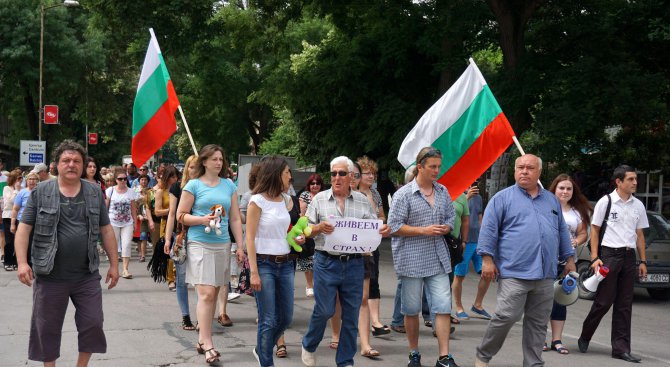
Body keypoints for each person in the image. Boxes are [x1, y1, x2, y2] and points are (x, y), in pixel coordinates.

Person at [14, 139, 120, 367]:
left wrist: (114, 264)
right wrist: (22, 263)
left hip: (86, 275)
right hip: (49, 275)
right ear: (56, 165)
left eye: (76, 161)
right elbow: (24, 229)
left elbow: (106, 229)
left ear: (83, 165)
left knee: (93, 323)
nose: (71, 164)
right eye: (66, 160)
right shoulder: (40, 192)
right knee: (47, 328)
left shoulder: (93, 192)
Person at [474, 154, 575, 367]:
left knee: (538, 324)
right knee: (505, 317)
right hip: (514, 271)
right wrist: (487, 259)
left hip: (545, 274)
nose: (524, 171)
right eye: (520, 167)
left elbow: (561, 231)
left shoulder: (551, 199)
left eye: (529, 168)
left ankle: (533, 363)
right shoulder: (502, 198)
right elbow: (489, 231)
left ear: (539, 172)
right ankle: (483, 356)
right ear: (514, 171)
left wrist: (569, 258)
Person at [301, 156, 390, 367]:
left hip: (354, 263)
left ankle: (345, 361)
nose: (337, 177)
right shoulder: (319, 199)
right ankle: (309, 343)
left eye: (342, 173)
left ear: (351, 176)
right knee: (325, 310)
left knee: (351, 315)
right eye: (333, 174)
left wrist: (382, 229)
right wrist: (319, 227)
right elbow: (305, 230)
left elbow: (373, 228)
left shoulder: (361, 200)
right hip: (326, 261)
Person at [387, 147, 458, 367]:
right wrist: (423, 230)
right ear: (420, 167)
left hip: (437, 258)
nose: (437, 170)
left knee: (443, 306)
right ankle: (414, 353)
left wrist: (446, 227)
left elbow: (451, 218)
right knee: (411, 309)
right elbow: (393, 226)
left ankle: (444, 357)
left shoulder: (443, 191)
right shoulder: (403, 194)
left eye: (438, 166)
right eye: (432, 166)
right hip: (411, 260)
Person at [176, 144, 244, 364]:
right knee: (205, 294)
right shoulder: (193, 185)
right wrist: (202, 220)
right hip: (199, 243)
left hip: (222, 244)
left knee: (214, 294)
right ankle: (208, 343)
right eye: (214, 159)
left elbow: (234, 218)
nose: (218, 162)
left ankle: (200, 339)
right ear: (204, 162)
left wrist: (240, 246)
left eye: (221, 159)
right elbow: (180, 215)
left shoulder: (229, 185)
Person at [578, 165, 648, 363]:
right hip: (609, 255)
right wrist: (594, 257)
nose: (635, 182)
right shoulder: (606, 202)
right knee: (603, 302)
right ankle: (585, 335)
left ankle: (621, 349)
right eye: (631, 179)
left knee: (625, 305)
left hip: (629, 257)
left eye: (635, 179)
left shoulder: (638, 205)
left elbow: (640, 235)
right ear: (619, 182)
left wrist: (642, 260)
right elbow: (595, 230)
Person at [245, 156, 302, 367]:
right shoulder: (256, 201)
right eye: (287, 171)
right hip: (264, 264)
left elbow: (284, 231)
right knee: (268, 319)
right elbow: (249, 238)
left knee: (286, 318)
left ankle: (262, 348)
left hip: (286, 263)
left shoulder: (287, 200)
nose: (290, 176)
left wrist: (296, 238)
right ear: (276, 173)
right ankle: (266, 361)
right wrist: (254, 272)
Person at [542, 174, 591, 354]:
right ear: (554, 189)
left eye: (568, 188)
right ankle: (540, 339)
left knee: (560, 301)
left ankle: (557, 340)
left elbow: (582, 233)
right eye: (561, 188)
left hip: (567, 263)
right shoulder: (544, 207)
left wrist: (576, 242)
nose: (565, 191)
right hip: (544, 261)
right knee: (542, 301)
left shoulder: (577, 212)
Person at [356, 156, 390, 339]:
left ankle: (376, 322)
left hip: (373, 242)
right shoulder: (353, 193)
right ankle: (359, 321)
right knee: (359, 284)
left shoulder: (375, 194)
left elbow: (382, 214)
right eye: (367, 173)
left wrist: (380, 223)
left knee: (374, 279)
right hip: (356, 245)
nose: (371, 176)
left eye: (373, 173)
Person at [164, 155, 198, 331]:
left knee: (201, 279)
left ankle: (202, 316)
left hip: (202, 237)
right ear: (186, 169)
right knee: (182, 278)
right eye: (191, 167)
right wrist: (168, 238)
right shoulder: (178, 187)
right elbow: (172, 214)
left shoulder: (205, 187)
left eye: (197, 167)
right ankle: (186, 316)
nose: (194, 170)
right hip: (182, 237)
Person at [451, 183, 493, 322]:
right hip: (464, 240)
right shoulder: (456, 195)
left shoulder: (479, 197)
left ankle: (478, 304)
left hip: (478, 240)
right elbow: (455, 216)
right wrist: (466, 197)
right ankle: (458, 307)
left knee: (487, 273)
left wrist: (484, 236)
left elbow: (480, 217)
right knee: (459, 275)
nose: (474, 183)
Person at [105, 167, 138, 279]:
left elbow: (133, 208)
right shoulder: (110, 191)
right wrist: (104, 222)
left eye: (124, 178)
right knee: (113, 246)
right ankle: (114, 268)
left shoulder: (131, 192)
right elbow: (105, 206)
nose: (123, 181)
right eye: (120, 179)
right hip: (112, 221)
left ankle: (125, 269)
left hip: (127, 222)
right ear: (116, 180)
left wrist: (135, 222)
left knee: (127, 244)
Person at [298, 173, 325, 298]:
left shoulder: (324, 197)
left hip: (321, 231)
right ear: (309, 185)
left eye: (317, 183)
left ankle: (318, 284)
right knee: (306, 258)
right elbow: (301, 213)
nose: (315, 185)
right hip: (306, 229)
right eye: (312, 183)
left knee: (318, 259)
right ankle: (309, 285)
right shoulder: (304, 195)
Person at [155, 166, 179, 291]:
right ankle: (171, 279)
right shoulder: (160, 191)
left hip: (180, 223)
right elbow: (157, 211)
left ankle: (178, 276)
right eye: (172, 176)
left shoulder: (180, 189)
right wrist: (171, 211)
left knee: (179, 250)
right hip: (166, 223)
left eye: (176, 176)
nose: (175, 179)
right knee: (168, 251)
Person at [2, 169, 21, 271]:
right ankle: (7, 261)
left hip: (19, 216)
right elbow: (10, 202)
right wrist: (16, 190)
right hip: (8, 216)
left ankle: (15, 260)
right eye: (18, 178)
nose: (20, 181)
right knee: (9, 240)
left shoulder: (21, 189)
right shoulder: (7, 188)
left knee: (18, 240)